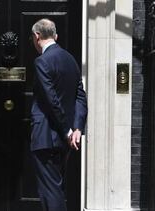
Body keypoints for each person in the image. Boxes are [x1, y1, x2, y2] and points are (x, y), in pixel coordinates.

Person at [29, 18, 88, 211]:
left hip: (47, 136)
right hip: (65, 138)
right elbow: (80, 95)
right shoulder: (70, 59)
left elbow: (51, 100)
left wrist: (67, 131)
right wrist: (77, 127)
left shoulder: (42, 61)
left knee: (50, 191)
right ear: (55, 36)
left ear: (37, 36)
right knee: (56, 186)